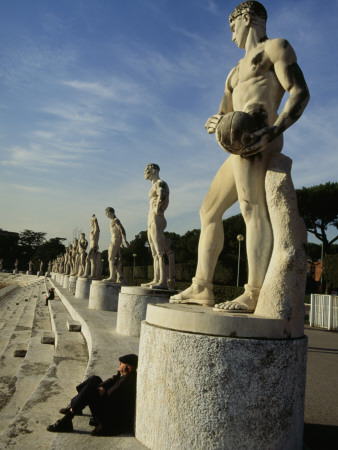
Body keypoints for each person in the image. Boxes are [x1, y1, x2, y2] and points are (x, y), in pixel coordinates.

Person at [170, 1, 309, 312]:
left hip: (260, 139)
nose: (231, 35)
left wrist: (274, 130)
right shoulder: (233, 72)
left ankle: (255, 292)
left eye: (233, 27)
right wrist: (215, 121)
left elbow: (299, 91)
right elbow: (225, 112)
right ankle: (202, 287)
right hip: (236, 148)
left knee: (252, 209)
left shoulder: (276, 48)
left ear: (247, 18)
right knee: (208, 211)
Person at [47, 354, 138, 436]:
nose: (119, 365)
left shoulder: (125, 382)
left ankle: (68, 418)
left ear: (128, 368)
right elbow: (111, 380)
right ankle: (75, 406)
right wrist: (102, 387)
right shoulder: (125, 375)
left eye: (121, 364)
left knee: (91, 391)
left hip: (110, 421)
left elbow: (110, 395)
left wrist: (98, 391)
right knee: (95, 379)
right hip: (109, 407)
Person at [142, 163, 170, 289]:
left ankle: (163, 281)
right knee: (154, 251)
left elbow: (162, 194)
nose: (145, 172)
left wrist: (158, 209)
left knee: (159, 251)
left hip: (156, 217)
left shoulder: (160, 182)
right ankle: (156, 278)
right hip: (151, 218)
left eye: (147, 169)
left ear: (154, 170)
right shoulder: (154, 184)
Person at [105, 207, 129, 283]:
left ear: (110, 212)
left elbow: (122, 230)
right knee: (115, 258)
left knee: (111, 258)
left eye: (106, 213)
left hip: (115, 240)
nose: (105, 215)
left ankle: (112, 277)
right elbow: (119, 231)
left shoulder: (115, 220)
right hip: (115, 240)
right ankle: (119, 276)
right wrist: (121, 242)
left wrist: (125, 240)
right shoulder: (113, 221)